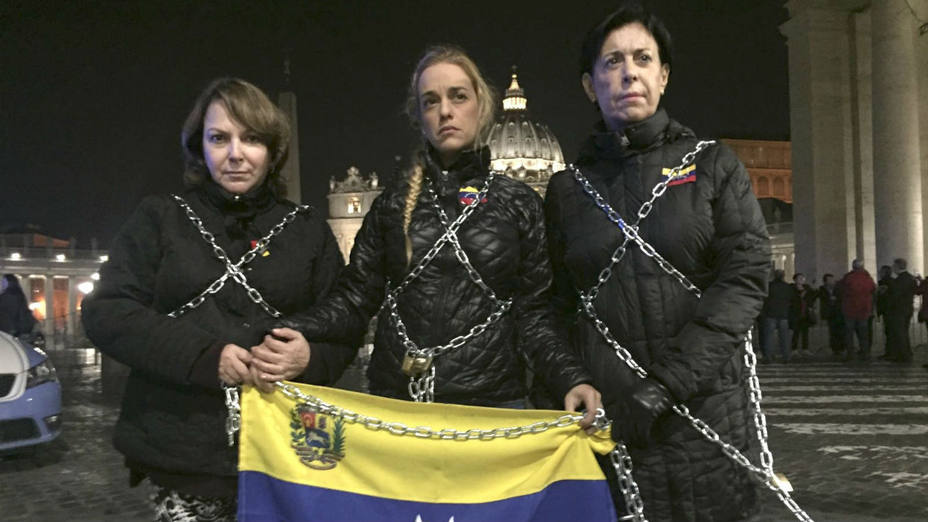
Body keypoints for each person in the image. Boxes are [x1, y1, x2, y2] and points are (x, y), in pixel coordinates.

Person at [266, 46, 600, 423]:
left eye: (458, 96)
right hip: (401, 401)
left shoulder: (521, 204)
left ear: (482, 105)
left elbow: (535, 314)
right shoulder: (393, 203)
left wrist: (570, 378)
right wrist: (288, 330)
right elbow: (354, 298)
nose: (445, 111)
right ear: (418, 117)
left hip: (493, 406)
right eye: (431, 101)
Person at [81, 78, 353, 521]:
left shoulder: (307, 229)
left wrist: (310, 357)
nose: (236, 153)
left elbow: (343, 326)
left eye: (251, 139)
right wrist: (204, 357)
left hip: (285, 447)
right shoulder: (159, 217)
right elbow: (106, 312)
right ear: (198, 146)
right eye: (219, 138)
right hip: (183, 450)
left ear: (273, 149)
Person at [544, 4, 769, 519]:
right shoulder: (565, 191)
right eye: (612, 61)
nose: (629, 72)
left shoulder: (713, 164)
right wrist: (568, 378)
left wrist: (666, 385)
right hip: (612, 421)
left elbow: (744, 279)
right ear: (589, 84)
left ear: (662, 76)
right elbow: (550, 304)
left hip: (706, 410)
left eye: (643, 58)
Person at [837, 259, 876, 362]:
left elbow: (840, 290)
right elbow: (873, 289)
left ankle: (850, 354)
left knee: (849, 333)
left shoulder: (848, 278)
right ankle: (865, 353)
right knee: (863, 333)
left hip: (849, 308)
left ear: (853, 267)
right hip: (864, 309)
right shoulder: (867, 278)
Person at [884, 258, 917, 363]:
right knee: (904, 332)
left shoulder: (900, 279)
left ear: (898, 266)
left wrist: (890, 282)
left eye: (894, 266)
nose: (893, 268)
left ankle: (903, 355)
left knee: (900, 333)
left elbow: (896, 293)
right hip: (907, 308)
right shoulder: (911, 278)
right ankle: (905, 353)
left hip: (899, 309)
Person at [762, 269, 793, 363]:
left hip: (771, 313)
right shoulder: (787, 287)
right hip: (783, 314)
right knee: (784, 337)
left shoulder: (769, 286)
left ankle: (768, 356)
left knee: (769, 337)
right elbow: (791, 299)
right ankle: (786, 356)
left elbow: (765, 300)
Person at [789, 273, 816, 359]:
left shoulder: (807, 289)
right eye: (799, 278)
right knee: (796, 332)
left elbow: (813, 297)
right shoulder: (792, 289)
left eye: (802, 278)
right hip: (796, 313)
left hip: (805, 312)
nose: (801, 280)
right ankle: (794, 349)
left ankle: (805, 348)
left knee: (805, 332)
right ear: (795, 280)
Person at [818, 273, 845, 358]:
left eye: (832, 279)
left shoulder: (838, 288)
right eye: (829, 280)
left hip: (839, 311)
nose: (831, 281)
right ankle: (835, 348)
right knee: (832, 331)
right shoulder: (822, 289)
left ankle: (841, 347)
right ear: (825, 281)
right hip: (830, 312)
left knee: (841, 330)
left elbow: (842, 296)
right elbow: (822, 297)